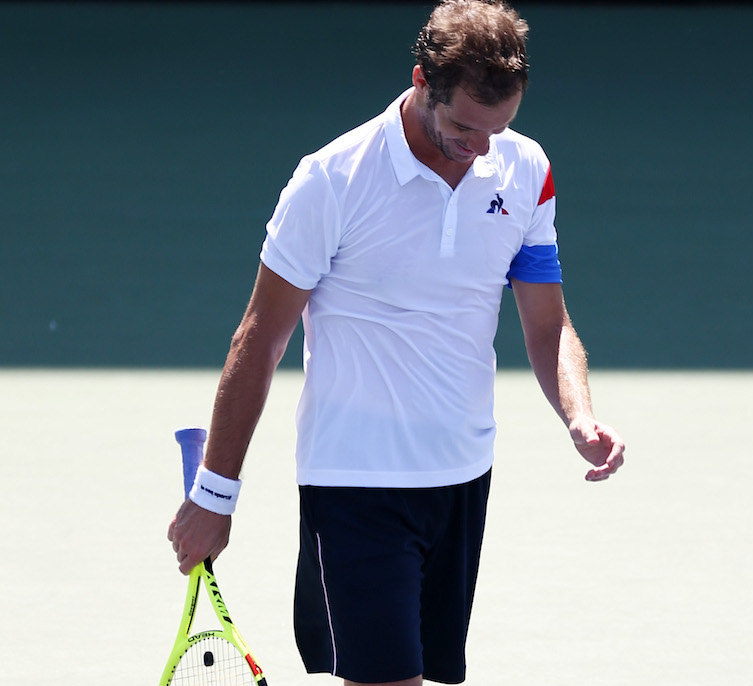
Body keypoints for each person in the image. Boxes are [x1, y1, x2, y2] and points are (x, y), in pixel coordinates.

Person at [168, 1, 625, 684]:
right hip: (356, 483)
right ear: (420, 82)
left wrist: (577, 413)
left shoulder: (525, 170)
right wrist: (216, 494)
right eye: (464, 128)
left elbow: (546, 323)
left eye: (498, 129)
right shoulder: (331, 181)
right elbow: (259, 337)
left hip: (463, 476)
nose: (480, 148)